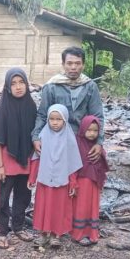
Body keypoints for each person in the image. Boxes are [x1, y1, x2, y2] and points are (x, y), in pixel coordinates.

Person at [31, 46, 105, 165]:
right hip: (56, 139)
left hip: (83, 139)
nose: (73, 67)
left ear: (83, 65)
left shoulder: (90, 86)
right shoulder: (52, 86)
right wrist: (36, 137)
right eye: (69, 63)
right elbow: (42, 114)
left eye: (77, 63)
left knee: (84, 178)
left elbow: (97, 116)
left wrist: (99, 142)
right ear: (63, 64)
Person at [0, 68, 37, 249]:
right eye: (13, 83)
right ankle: (2, 231)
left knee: (23, 196)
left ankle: (18, 226)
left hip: (25, 159)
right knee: (2, 199)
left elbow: (35, 134)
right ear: (8, 87)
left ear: (26, 84)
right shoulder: (2, 108)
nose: (18, 87)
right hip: (6, 160)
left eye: (21, 82)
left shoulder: (31, 106)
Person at [27, 104, 83, 249]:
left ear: (65, 120)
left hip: (62, 181)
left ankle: (55, 235)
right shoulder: (43, 135)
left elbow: (73, 163)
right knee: (43, 207)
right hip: (44, 181)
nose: (55, 122)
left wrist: (73, 183)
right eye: (51, 119)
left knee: (59, 208)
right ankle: (43, 234)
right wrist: (32, 177)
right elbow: (36, 158)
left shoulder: (69, 138)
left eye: (58, 119)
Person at [71, 115, 109, 246]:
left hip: (94, 183)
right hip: (81, 182)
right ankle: (78, 233)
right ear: (82, 129)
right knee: (81, 207)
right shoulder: (77, 143)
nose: (92, 134)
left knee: (93, 207)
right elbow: (72, 164)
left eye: (95, 130)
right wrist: (73, 182)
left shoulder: (97, 147)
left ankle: (92, 233)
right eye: (89, 130)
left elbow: (102, 163)